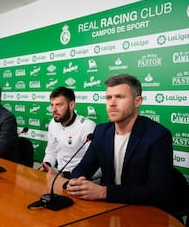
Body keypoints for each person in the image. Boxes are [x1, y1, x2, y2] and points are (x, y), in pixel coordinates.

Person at [66, 74, 174, 213]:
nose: (112, 103)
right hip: (108, 209)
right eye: (108, 97)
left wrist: (104, 192)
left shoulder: (157, 136)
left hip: (143, 211)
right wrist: (77, 182)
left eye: (120, 97)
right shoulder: (101, 131)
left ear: (138, 101)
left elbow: (157, 192)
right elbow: (82, 168)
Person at [39, 86, 96, 178]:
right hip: (58, 174)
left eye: (59, 105)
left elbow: (94, 163)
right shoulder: (53, 123)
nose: (54, 110)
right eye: (52, 105)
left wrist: (65, 175)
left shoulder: (87, 126)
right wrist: (47, 166)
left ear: (71, 105)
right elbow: (51, 152)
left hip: (81, 178)